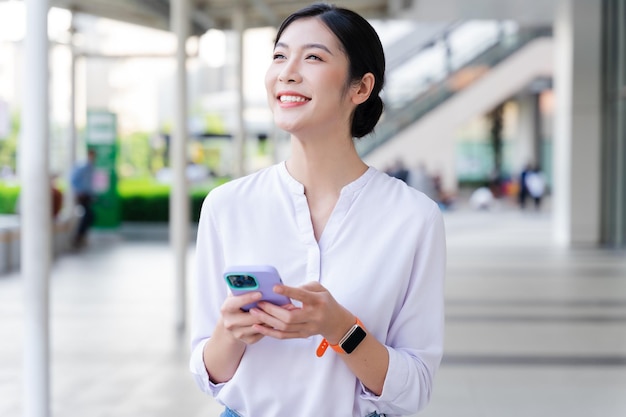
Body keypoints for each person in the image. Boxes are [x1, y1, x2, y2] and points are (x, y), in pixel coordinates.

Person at [190, 4, 446, 417]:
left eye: (312, 57)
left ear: (360, 88)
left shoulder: (413, 217)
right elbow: (209, 375)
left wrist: (341, 328)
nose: (287, 72)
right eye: (279, 55)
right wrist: (231, 331)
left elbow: (413, 389)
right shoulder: (226, 206)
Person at [70, 148, 96, 248]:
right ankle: (79, 236)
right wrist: (79, 191)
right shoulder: (83, 167)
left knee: (90, 216)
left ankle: (81, 235)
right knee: (88, 215)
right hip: (82, 195)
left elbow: (89, 184)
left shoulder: (91, 167)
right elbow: (73, 179)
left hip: (87, 195)